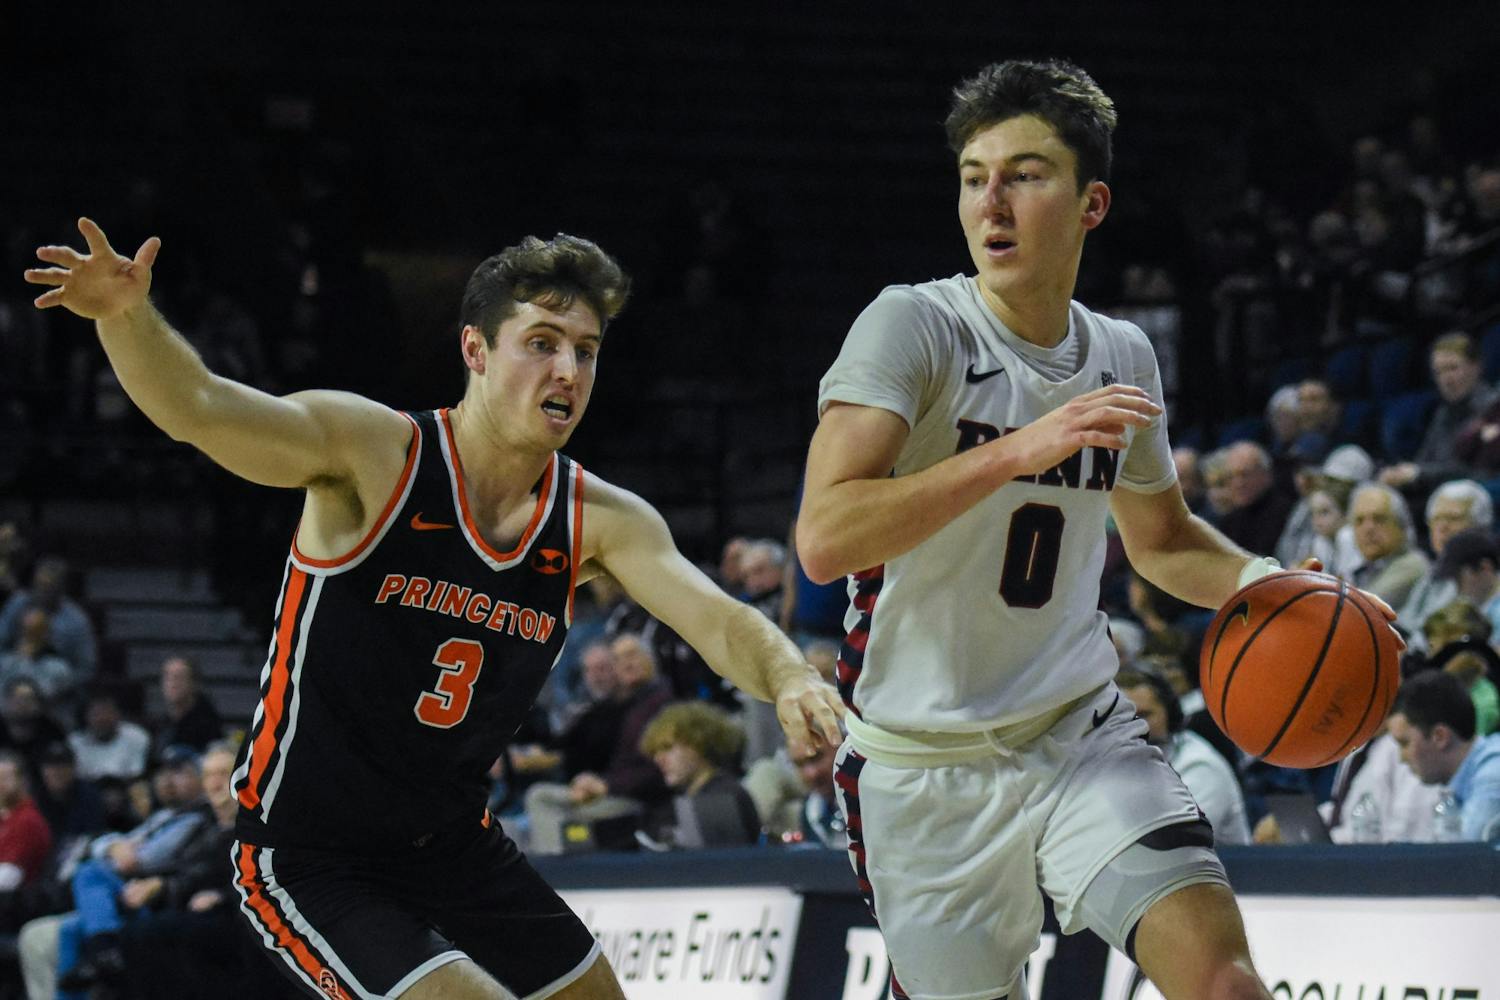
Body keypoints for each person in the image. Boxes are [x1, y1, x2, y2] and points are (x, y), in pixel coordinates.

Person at [25, 217, 841, 1000]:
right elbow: (200, 408)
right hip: (309, 853)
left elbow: (718, 618)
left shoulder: (600, 518)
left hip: (449, 845)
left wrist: (789, 676)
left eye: (586, 352)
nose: (568, 371)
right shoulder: (374, 454)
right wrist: (127, 318)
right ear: (475, 351)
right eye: (543, 345)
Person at [796, 59, 1397, 1000]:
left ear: (1091, 202)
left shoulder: (1121, 353)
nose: (991, 200)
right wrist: (1012, 451)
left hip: (1079, 731)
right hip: (925, 767)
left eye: (1026, 174)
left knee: (1225, 984)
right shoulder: (912, 327)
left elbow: (1164, 543)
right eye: (972, 177)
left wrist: (1289, 589)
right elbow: (826, 536)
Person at [1117, 668, 1251, 845]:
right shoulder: (1113, 762)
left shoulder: (1199, 765)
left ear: (1170, 714)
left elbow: (1176, 844)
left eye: (1144, 715)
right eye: (1121, 717)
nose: (1133, 725)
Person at [1389, 671, 1500, 842]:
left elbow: (1466, 860)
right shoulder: (1462, 785)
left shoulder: (1494, 774)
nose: (1401, 759)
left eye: (1405, 743)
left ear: (1440, 737)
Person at [1380, 332, 1497, 493]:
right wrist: (1402, 472)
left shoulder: (1493, 409)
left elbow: (1482, 472)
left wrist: (1420, 474)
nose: (1446, 380)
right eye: (1438, 372)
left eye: (1453, 368)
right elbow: (1424, 460)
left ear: (1476, 367)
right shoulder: (1444, 412)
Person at [637, 701, 761, 849]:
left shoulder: (723, 795)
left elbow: (719, 865)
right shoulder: (685, 798)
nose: (659, 759)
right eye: (655, 752)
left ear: (698, 743)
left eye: (667, 748)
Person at [0, 557, 98, 681]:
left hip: (57, 681)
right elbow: (1, 641)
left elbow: (86, 668)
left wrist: (63, 683)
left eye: (48, 587)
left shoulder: (76, 621)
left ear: (60, 589)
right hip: (14, 673)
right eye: (38, 585)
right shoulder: (18, 603)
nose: (41, 592)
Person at [67, 687, 151, 783]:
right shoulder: (74, 743)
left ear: (118, 714)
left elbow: (137, 776)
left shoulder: (137, 736)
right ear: (86, 716)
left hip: (128, 789)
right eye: (96, 714)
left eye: (107, 712)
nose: (103, 719)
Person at [149, 655, 223, 755]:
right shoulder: (162, 725)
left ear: (194, 683)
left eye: (178, 677)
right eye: (167, 677)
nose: (172, 684)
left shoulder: (208, 724)